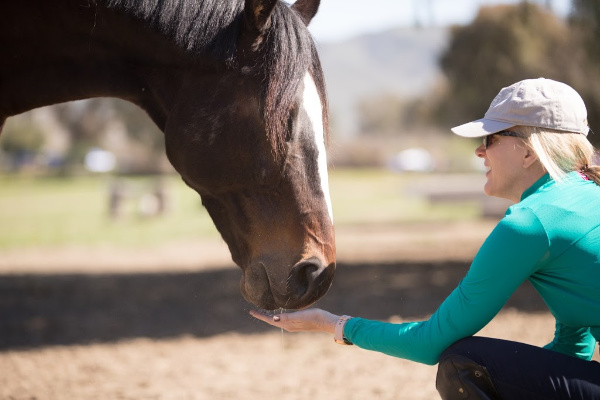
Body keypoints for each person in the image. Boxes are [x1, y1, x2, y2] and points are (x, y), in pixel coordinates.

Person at [250, 78, 600, 399]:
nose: (480, 152)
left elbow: (430, 343)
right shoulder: (584, 197)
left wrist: (333, 324)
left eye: (490, 139)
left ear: (529, 152)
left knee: (464, 363)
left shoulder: (531, 223)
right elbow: (575, 342)